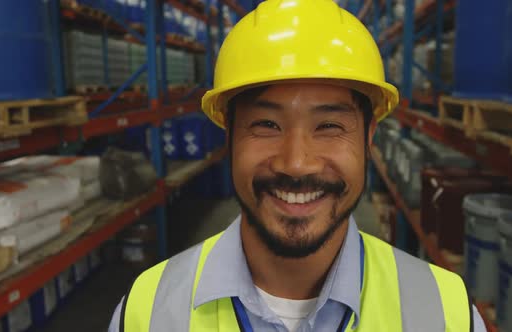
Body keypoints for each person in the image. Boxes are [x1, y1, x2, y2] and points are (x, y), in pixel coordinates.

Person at [109, 0, 487, 330]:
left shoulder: (448, 315)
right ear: (229, 134)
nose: (295, 163)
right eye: (266, 125)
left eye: (329, 126)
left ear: (369, 135)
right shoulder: (146, 313)